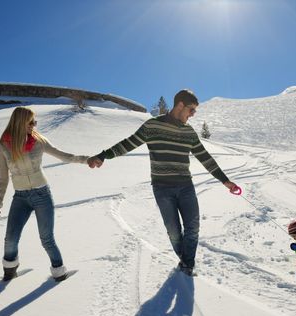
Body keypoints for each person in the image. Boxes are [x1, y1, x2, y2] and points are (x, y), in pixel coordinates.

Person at [87, 89, 239, 276]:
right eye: (191, 110)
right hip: (162, 188)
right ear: (180, 105)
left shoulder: (189, 132)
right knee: (174, 232)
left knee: (193, 227)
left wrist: (225, 181)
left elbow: (205, 158)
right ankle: (185, 260)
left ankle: (187, 265)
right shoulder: (153, 126)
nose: (193, 115)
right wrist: (103, 155)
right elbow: (128, 144)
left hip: (186, 186)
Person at [0, 106, 89, 281]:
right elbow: (3, 177)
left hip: (42, 195)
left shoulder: (38, 141)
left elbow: (64, 156)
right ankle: (9, 272)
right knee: (10, 239)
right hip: (20, 198)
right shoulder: (3, 146)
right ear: (20, 122)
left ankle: (59, 273)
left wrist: (86, 160)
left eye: (34, 122)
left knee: (46, 239)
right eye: (31, 122)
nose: (34, 125)